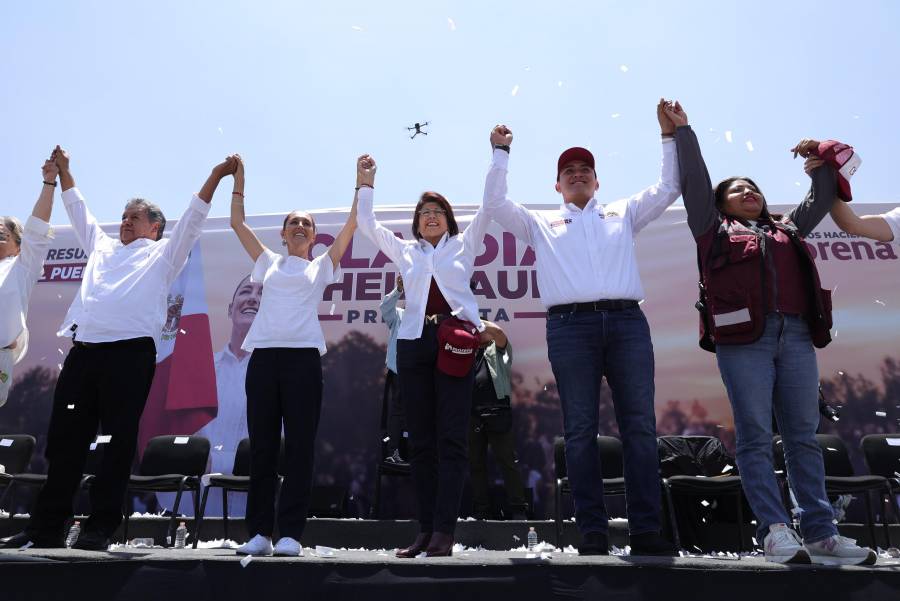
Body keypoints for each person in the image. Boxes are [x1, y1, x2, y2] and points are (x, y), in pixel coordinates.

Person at [666, 101, 875, 565]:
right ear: (721, 204)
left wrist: (819, 160)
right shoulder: (711, 230)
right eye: (737, 190)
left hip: (797, 336)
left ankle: (821, 534)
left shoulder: (788, 228)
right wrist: (685, 132)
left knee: (803, 437)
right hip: (744, 342)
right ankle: (776, 530)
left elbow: (822, 196)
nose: (748, 192)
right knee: (757, 436)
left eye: (754, 188)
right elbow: (696, 181)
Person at [1, 147, 235, 551]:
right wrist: (66, 174)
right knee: (65, 443)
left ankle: (99, 528)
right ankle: (45, 528)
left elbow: (194, 218)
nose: (125, 222)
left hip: (130, 356)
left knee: (117, 443)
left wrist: (216, 175)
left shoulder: (165, 255)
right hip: (84, 353)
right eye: (124, 216)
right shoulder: (103, 249)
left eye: (135, 217)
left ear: (155, 227)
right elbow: (78, 210)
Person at [483, 102, 681, 556]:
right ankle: (592, 532)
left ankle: (645, 530)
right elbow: (494, 204)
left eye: (584, 169)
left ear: (597, 180)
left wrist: (668, 137)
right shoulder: (539, 223)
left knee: (639, 427)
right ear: (556, 183)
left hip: (628, 322)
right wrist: (500, 153)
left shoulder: (623, 213)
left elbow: (670, 186)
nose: (577, 174)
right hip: (571, 328)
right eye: (568, 170)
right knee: (580, 430)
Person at [356, 153, 489, 558]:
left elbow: (490, 204)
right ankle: (425, 530)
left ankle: (445, 532)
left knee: (451, 439)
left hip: (453, 343)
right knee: (421, 442)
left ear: (449, 220)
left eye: (438, 212)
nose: (430, 217)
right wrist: (365, 181)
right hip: (414, 345)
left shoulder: (464, 246)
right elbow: (367, 225)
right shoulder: (406, 252)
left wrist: (499, 153)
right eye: (424, 213)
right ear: (416, 223)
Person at [229, 155, 358, 557]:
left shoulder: (321, 266)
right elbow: (237, 223)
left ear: (315, 236)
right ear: (283, 234)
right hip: (264, 361)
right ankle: (260, 535)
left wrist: (362, 183)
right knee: (263, 448)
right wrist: (239, 178)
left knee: (300, 447)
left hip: (303, 361)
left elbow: (352, 226)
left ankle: (290, 534)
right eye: (293, 223)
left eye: (307, 223)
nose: (300, 226)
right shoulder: (267, 262)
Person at [0, 156, 57, 406]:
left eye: (2, 233)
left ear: (19, 244)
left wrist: (49, 183)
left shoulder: (21, 266)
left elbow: (37, 228)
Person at [467, 320, 528, 520]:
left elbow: (499, 332)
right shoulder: (466, 351)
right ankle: (481, 509)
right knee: (475, 463)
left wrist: (474, 319)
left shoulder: (499, 350)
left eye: (480, 330)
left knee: (507, 461)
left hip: (498, 411)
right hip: (472, 413)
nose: (477, 332)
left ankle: (518, 508)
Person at [380, 275, 407, 464]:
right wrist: (398, 290)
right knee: (397, 412)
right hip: (400, 372)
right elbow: (385, 308)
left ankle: (425, 454)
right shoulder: (399, 315)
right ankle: (393, 452)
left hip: (423, 372)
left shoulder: (429, 316)